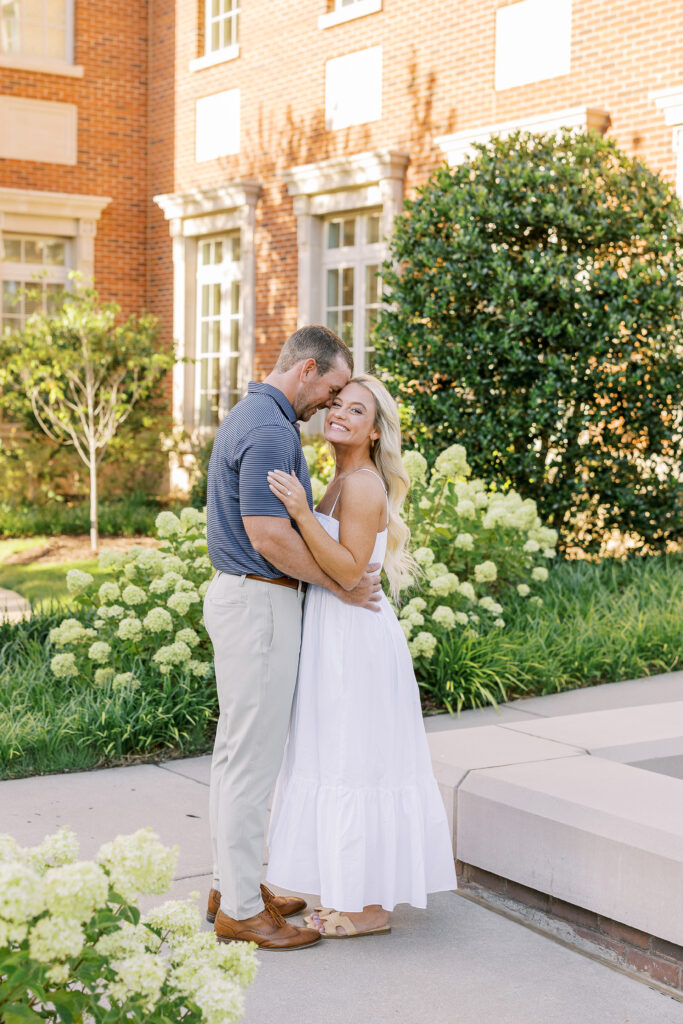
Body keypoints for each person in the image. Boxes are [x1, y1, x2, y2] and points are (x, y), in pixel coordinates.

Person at [203, 326, 382, 952]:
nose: (328, 405)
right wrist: (340, 586)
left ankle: (234, 886)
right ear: (307, 370)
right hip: (258, 601)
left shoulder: (255, 413)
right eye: (331, 390)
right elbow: (269, 536)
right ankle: (244, 912)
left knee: (236, 754)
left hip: (246, 598)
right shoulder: (273, 428)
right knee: (252, 762)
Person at [265, 373, 457, 938]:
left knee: (359, 760)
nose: (340, 414)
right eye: (337, 405)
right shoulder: (341, 477)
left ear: (375, 432)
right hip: (337, 630)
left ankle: (370, 911)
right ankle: (353, 894)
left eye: (356, 410)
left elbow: (349, 570)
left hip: (356, 639)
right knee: (340, 756)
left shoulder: (363, 484)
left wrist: (300, 513)